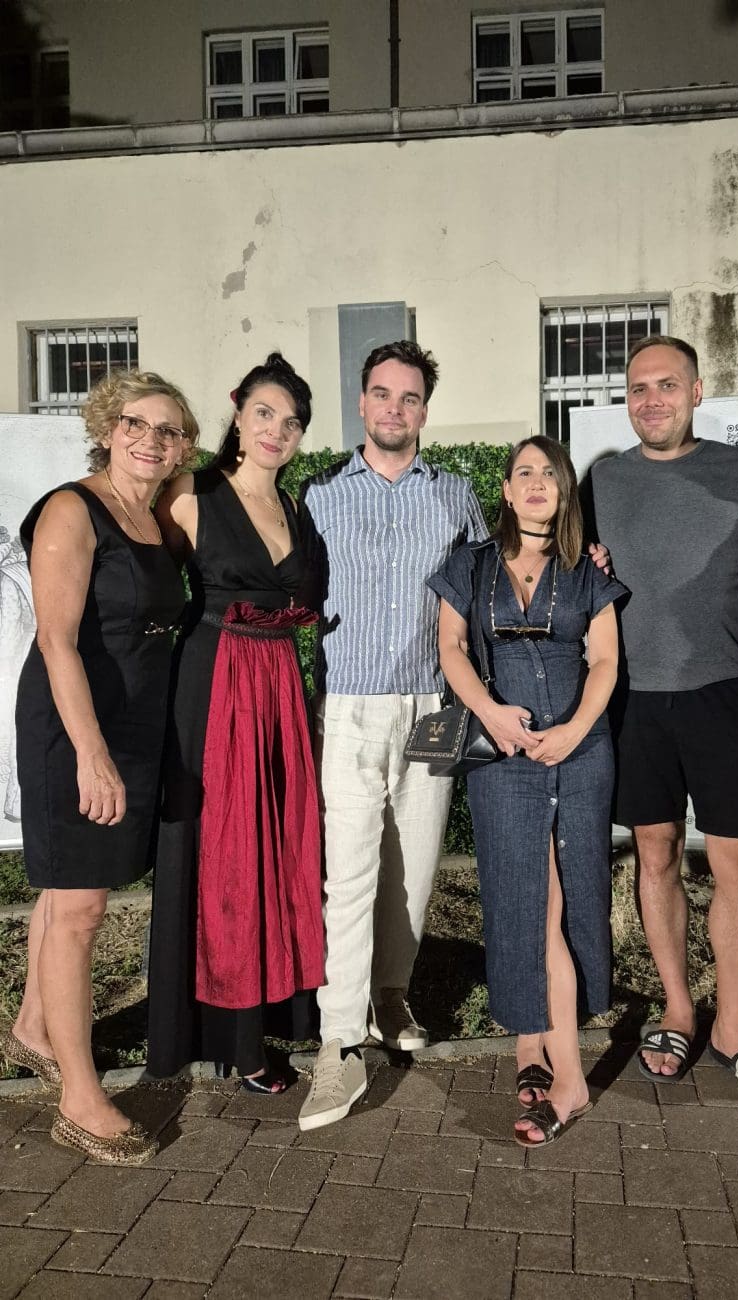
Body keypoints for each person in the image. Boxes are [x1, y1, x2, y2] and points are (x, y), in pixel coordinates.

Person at [586, 334, 738, 1102]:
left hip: (728, 693)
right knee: (656, 855)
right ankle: (678, 1009)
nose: (652, 400)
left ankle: (731, 1025)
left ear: (697, 392)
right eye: (639, 388)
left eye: (666, 385)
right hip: (633, 698)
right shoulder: (602, 479)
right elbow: (572, 564)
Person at [2, 370, 198, 1163]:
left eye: (169, 430)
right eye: (135, 424)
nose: (150, 439)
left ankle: (31, 1028)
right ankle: (79, 1101)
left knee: (69, 893)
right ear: (107, 429)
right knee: (82, 908)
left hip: (136, 721)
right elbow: (56, 642)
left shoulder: (151, 515)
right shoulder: (70, 510)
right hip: (74, 724)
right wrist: (90, 755)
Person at [296, 340, 488, 1131]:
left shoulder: (454, 495)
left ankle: (389, 997)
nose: (393, 409)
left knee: (412, 867)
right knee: (349, 876)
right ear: (362, 402)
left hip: (432, 706)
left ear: (423, 411)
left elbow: (487, 584)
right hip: (347, 707)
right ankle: (338, 1044)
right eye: (381, 394)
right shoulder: (318, 495)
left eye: (408, 397)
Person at [431, 436, 626, 1144]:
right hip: (504, 757)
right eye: (524, 473)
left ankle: (551, 1059)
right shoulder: (470, 563)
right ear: (507, 491)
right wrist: (488, 711)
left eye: (550, 472)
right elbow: (450, 647)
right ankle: (553, 1062)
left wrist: (573, 730)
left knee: (566, 903)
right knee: (527, 904)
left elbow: (604, 661)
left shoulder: (585, 570)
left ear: (563, 490)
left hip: (578, 753)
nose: (537, 482)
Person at [146, 354, 323, 1092]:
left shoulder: (299, 507)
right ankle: (229, 1035)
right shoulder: (192, 492)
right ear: (238, 413)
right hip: (214, 681)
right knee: (224, 851)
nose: (276, 431)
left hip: (279, 686)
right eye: (264, 414)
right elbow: (142, 581)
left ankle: (270, 1018)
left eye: (292, 422)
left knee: (277, 848)